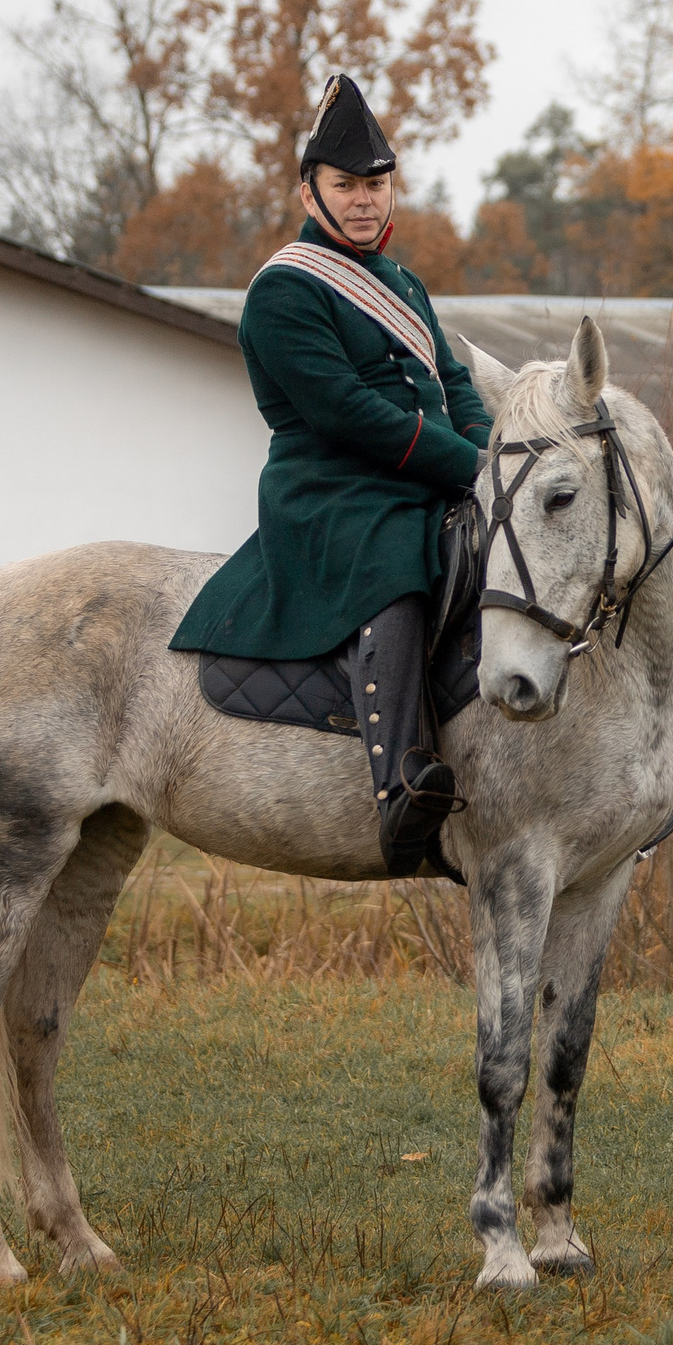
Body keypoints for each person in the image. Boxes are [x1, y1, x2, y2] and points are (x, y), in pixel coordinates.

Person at [170, 74, 493, 881]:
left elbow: (453, 384)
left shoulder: (404, 282)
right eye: (346, 185)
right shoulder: (282, 289)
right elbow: (352, 415)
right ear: (310, 189)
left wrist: (499, 461)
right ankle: (402, 782)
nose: (363, 200)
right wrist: (466, 463)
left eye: (375, 183)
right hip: (333, 493)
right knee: (395, 560)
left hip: (419, 476)